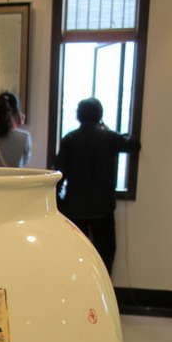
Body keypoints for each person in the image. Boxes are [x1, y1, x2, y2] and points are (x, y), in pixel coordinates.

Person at [54, 97, 140, 274]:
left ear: (79, 115)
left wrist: (59, 202)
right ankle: (103, 286)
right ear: (100, 115)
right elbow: (134, 144)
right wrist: (109, 130)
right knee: (105, 253)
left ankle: (77, 285)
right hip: (103, 207)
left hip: (75, 207)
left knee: (75, 253)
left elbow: (59, 174)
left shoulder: (69, 139)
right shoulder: (109, 138)